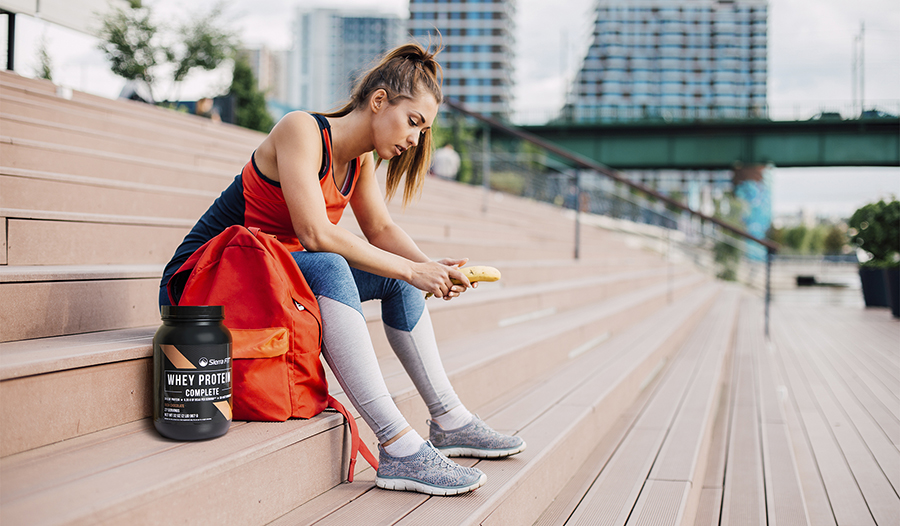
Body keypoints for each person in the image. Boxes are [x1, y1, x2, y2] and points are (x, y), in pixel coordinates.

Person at [158, 42, 525, 496]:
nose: (415, 140)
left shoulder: (360, 159)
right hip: (201, 284)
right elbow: (315, 234)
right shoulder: (302, 130)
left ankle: (449, 421)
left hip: (273, 279)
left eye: (423, 131)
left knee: (394, 275)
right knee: (335, 263)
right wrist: (412, 270)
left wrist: (426, 266)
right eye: (413, 122)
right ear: (378, 101)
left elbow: (381, 227)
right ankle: (397, 446)